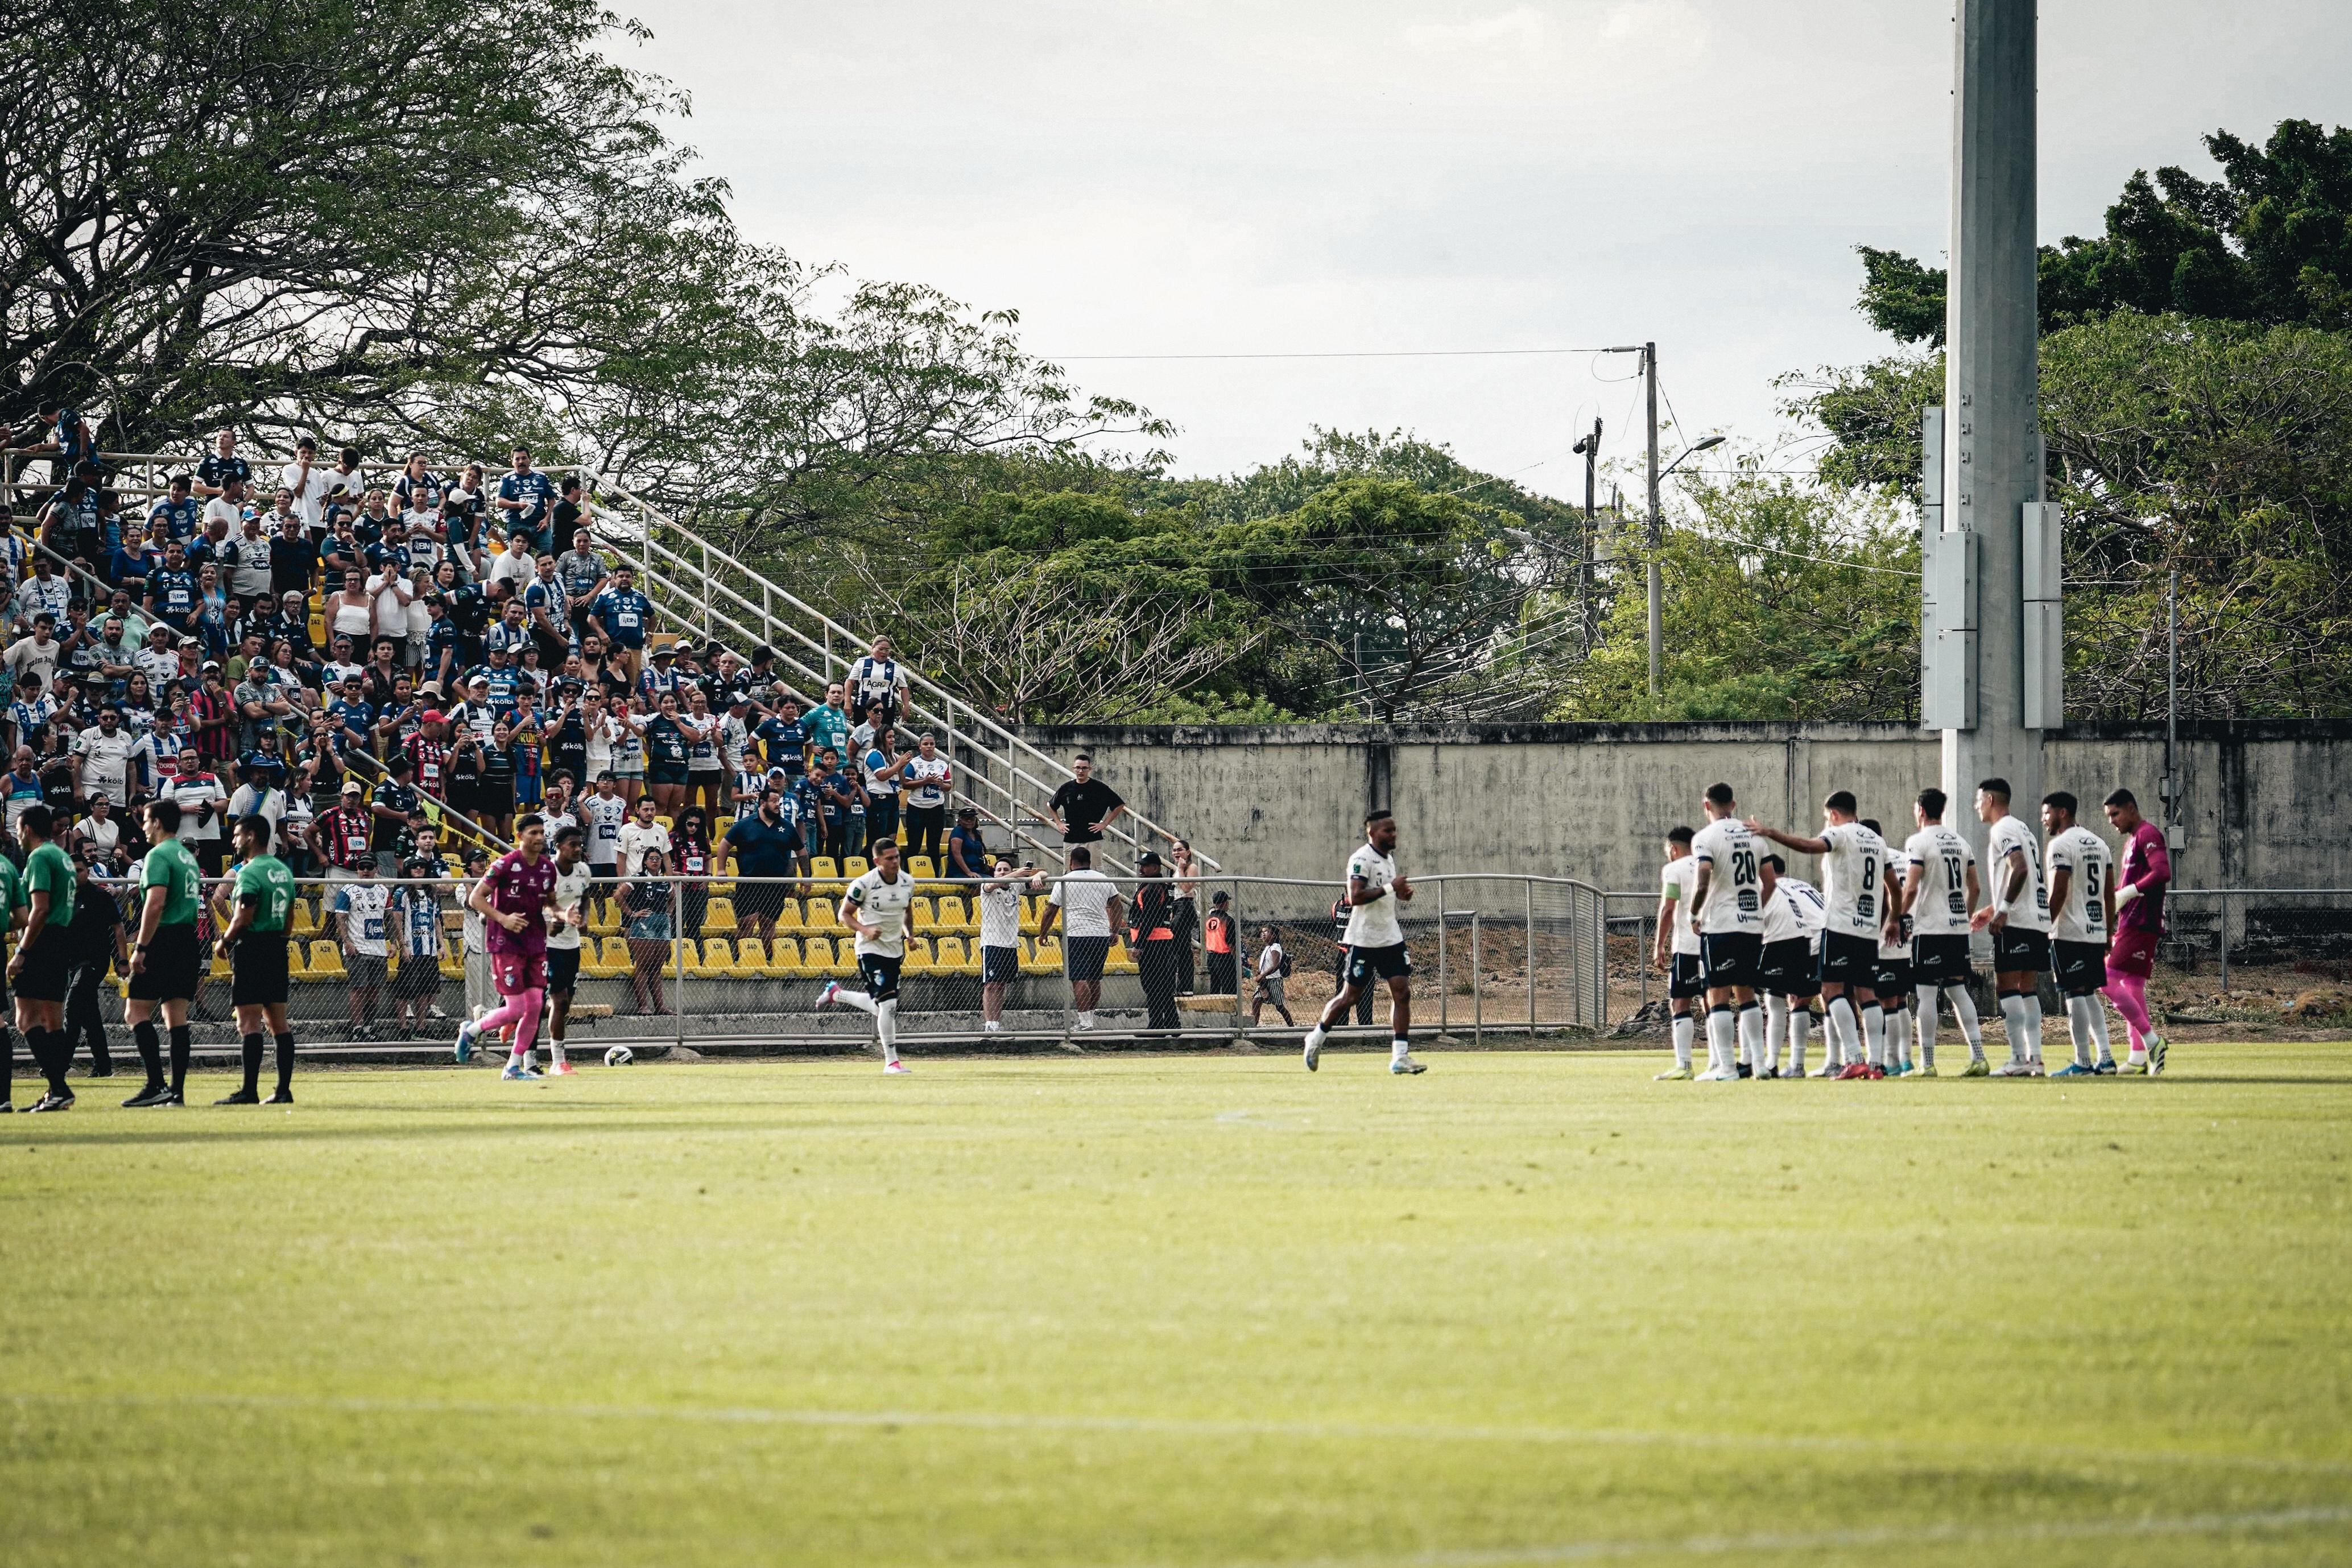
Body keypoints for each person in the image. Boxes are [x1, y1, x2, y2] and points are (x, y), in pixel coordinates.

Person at [1747, 792, 1888, 1079]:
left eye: (1826, 818)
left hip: (1838, 927)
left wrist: (1771, 832)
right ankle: (1876, 1063)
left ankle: (1852, 1058)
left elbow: (1811, 846)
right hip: (1867, 928)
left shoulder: (1838, 834)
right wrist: (1889, 921)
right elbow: (1892, 890)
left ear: (1834, 814)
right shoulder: (1877, 841)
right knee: (1865, 994)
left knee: (1827, 991)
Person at [1299, 812, 1420, 1074]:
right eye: (1388, 830)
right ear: (1373, 833)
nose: (1393, 834)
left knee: (1402, 992)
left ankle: (1400, 1056)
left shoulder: (1389, 860)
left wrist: (1402, 894)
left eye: (1394, 829)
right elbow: (1354, 897)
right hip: (1364, 940)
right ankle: (1316, 1037)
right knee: (1350, 996)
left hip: (1390, 937)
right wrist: (1391, 888)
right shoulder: (1361, 859)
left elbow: (1387, 894)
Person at [457, 814, 562, 1079]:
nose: (539, 837)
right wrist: (503, 918)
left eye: (541, 833)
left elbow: (549, 902)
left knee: (536, 1005)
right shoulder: (504, 865)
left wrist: (562, 914)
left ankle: (513, 1067)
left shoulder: (548, 868)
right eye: (533, 833)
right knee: (516, 1008)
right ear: (519, 836)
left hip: (536, 942)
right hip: (506, 943)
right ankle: (471, 1030)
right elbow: (475, 898)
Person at [1680, 784, 1771, 1082]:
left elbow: (1703, 877)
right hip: (1751, 926)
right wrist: (1756, 909)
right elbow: (1769, 883)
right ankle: (1759, 1065)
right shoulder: (1754, 835)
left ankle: (1728, 1069)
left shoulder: (1705, 838)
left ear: (1707, 805)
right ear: (1734, 803)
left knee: (1717, 995)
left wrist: (1694, 913)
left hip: (1721, 925)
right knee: (1747, 994)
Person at [1896, 787, 1987, 1077]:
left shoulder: (1918, 841)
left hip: (1929, 928)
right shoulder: (1961, 842)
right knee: (1958, 991)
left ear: (1921, 810)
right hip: (1957, 929)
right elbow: (1975, 888)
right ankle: (1979, 1057)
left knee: (1925, 995)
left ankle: (1928, 1063)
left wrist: (1898, 917)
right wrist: (1965, 915)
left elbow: (1910, 887)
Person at [121, 798, 205, 1107]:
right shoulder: (187, 858)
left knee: (136, 1012)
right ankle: (176, 1092)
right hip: (187, 938)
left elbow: (155, 903)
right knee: (176, 1016)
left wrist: (141, 948)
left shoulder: (157, 855)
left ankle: (156, 1084)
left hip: (163, 938)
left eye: (145, 820)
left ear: (156, 822)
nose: (143, 826)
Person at [1966, 776, 2051, 1076]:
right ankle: (2035, 1060)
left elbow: (2021, 868)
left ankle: (2017, 1059)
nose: (1976, 806)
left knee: (2006, 987)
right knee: (2027, 989)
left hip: (2017, 923)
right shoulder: (2024, 829)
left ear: (1990, 800)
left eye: (1978, 801)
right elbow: (2023, 877)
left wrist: (2002, 912)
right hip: (2036, 919)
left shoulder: (2002, 829)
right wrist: (1993, 909)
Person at [213, 815, 300, 1103]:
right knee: (279, 1023)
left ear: (251, 836)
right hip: (277, 948)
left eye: (237, 834)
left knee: (248, 1023)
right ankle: (284, 1090)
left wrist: (223, 942)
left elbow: (243, 917)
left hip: (252, 949)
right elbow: (289, 917)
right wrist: (280, 942)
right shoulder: (284, 872)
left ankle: (249, 1091)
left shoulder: (248, 872)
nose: (234, 840)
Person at [818, 837, 916, 1072]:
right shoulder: (863, 884)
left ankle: (837, 994)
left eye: (897, 857)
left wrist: (910, 935)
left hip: (895, 950)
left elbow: (907, 910)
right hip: (869, 949)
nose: (895, 862)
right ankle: (891, 1062)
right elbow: (845, 915)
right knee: (889, 1004)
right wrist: (865, 930)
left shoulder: (907, 882)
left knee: (883, 1006)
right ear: (877, 861)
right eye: (890, 858)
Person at [2043, 790, 2118, 1077]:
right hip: (2095, 930)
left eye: (2047, 813)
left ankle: (2083, 1062)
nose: (2044, 819)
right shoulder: (2100, 844)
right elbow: (2109, 893)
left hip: (2069, 932)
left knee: (2075, 995)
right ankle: (2107, 1058)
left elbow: (2059, 891)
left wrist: (2044, 927)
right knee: (2089, 994)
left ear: (2062, 813)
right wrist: (2108, 932)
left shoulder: (2060, 846)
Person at [9, 805, 78, 1112]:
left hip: (43, 940)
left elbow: (39, 909)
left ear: (27, 829)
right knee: (53, 1020)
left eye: (18, 828)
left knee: (26, 1019)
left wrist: (22, 951)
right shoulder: (62, 856)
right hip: (62, 940)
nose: (16, 834)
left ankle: (61, 1089)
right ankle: (56, 1091)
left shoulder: (38, 857)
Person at [2100, 787, 2171, 1076]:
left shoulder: (2148, 834)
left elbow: (2163, 872)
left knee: (2104, 978)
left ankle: (2154, 1041)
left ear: (2131, 808)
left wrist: (2130, 891)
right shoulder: (2132, 841)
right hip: (2131, 921)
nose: (2112, 821)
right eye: (2108, 816)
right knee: (2132, 987)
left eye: (2115, 814)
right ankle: (2138, 1057)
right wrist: (2118, 897)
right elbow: (2128, 887)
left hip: (2142, 923)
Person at [1035, 845, 1121, 1032]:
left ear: (1071, 863)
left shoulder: (1065, 880)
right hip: (1100, 934)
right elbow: (1117, 905)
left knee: (1079, 978)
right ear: (1089, 862)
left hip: (1077, 933)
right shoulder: (1103, 879)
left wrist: (1043, 933)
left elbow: (1051, 909)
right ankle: (1089, 1018)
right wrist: (1114, 930)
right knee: (1094, 978)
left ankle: (1084, 1022)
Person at [60, 843, 127, 1079]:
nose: (74, 875)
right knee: (90, 1015)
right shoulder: (63, 896)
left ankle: (61, 1063)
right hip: (72, 962)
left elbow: (118, 928)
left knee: (72, 1007)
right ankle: (104, 1066)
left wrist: (123, 960)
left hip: (94, 962)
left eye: (78, 870)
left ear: (88, 871)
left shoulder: (99, 896)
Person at [1755, 855, 1825, 1078]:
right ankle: (1839, 1060)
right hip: (1830, 938)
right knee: (1834, 998)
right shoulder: (1802, 884)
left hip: (1806, 941)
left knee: (1785, 998)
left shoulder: (1775, 888)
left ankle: (1781, 1063)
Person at [1862, 818, 1915, 1078]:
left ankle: (1891, 1060)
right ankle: (1905, 1058)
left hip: (1887, 935)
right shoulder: (1904, 858)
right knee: (1901, 999)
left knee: (1887, 1001)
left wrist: (1878, 931)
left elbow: (1885, 895)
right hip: (1909, 933)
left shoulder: (1875, 858)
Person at [723, 787, 804, 947]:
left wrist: (806, 878)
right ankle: (742, 959)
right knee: (747, 922)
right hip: (749, 882)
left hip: (775, 884)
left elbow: (801, 851)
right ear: (762, 803)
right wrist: (720, 869)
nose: (777, 805)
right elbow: (725, 844)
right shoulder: (745, 824)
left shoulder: (786, 826)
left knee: (768, 924)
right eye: (774, 801)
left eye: (779, 802)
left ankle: (767, 962)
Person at [542, 826, 593, 1074]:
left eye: (580, 844)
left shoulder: (583, 871)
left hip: (571, 946)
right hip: (546, 945)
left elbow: (585, 899)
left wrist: (582, 920)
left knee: (562, 1005)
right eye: (572, 844)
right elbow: (544, 905)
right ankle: (558, 1062)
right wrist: (557, 920)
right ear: (559, 846)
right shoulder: (547, 872)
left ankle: (510, 1015)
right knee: (560, 1001)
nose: (577, 849)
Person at [976, 857, 1043, 1033]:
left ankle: (996, 1023)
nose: (1003, 873)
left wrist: (1036, 876)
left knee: (1001, 985)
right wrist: (1016, 874)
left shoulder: (1016, 886)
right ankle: (989, 1024)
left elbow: (1045, 873)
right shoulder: (988, 887)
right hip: (992, 942)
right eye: (999, 870)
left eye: (1006, 870)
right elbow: (991, 886)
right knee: (990, 985)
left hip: (1010, 944)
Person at [388, 855, 448, 1040]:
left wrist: (442, 943)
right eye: (415, 867)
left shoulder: (432, 893)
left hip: (429, 950)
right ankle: (403, 1027)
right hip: (411, 950)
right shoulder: (401, 893)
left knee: (425, 990)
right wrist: (402, 945)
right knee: (404, 989)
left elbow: (436, 920)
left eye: (422, 867)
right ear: (408, 870)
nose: (419, 870)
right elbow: (396, 920)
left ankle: (421, 1026)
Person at [332, 857, 392, 1040]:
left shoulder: (383, 890)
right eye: (362, 867)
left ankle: (369, 1028)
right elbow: (340, 918)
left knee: (375, 990)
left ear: (377, 868)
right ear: (357, 869)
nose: (365, 870)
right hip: (357, 948)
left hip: (379, 948)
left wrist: (395, 943)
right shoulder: (347, 891)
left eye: (369, 867)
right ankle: (357, 1029)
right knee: (358, 989)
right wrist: (347, 942)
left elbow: (390, 918)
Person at [1126, 851, 1183, 1030]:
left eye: (1145, 865)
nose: (1141, 869)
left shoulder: (1152, 888)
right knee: (1162, 986)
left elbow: (1149, 919)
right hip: (1160, 942)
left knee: (1153, 986)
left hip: (1153, 943)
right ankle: (1172, 1023)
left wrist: (1139, 946)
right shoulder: (1155, 886)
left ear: (1156, 868)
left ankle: (1157, 1025)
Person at [617, 845, 674, 1017]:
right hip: (644, 923)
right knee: (643, 966)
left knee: (657, 967)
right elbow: (618, 895)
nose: (655, 861)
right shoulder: (638, 878)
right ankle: (643, 1005)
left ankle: (660, 1006)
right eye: (652, 858)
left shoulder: (664, 880)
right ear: (645, 861)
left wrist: (669, 913)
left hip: (662, 923)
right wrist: (632, 913)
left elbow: (673, 898)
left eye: (658, 858)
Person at [1045, 753, 1125, 850]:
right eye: (1078, 768)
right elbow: (1051, 805)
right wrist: (1059, 823)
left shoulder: (1099, 788)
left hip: (1093, 838)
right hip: (1071, 839)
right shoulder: (1066, 788)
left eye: (1084, 768)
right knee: (1070, 865)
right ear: (1073, 768)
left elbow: (1119, 805)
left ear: (1089, 769)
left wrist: (1104, 824)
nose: (1081, 771)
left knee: (1095, 865)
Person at [1251, 926, 1296, 1027]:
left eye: (1267, 932)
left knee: (1279, 1007)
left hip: (1274, 980)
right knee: (1256, 1002)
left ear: (1274, 935)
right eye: (1262, 932)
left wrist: (1263, 974)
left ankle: (1292, 1027)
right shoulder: (1267, 948)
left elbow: (1276, 965)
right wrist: (1260, 973)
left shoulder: (1275, 947)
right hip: (1264, 982)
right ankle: (1253, 1027)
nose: (1263, 934)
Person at [1203, 890, 1237, 996]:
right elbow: (1231, 943)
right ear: (1225, 903)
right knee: (1229, 987)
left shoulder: (1207, 919)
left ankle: (1215, 1010)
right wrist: (1236, 959)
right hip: (1225, 957)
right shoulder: (1228, 920)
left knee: (1215, 986)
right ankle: (1231, 1011)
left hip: (1211, 957)